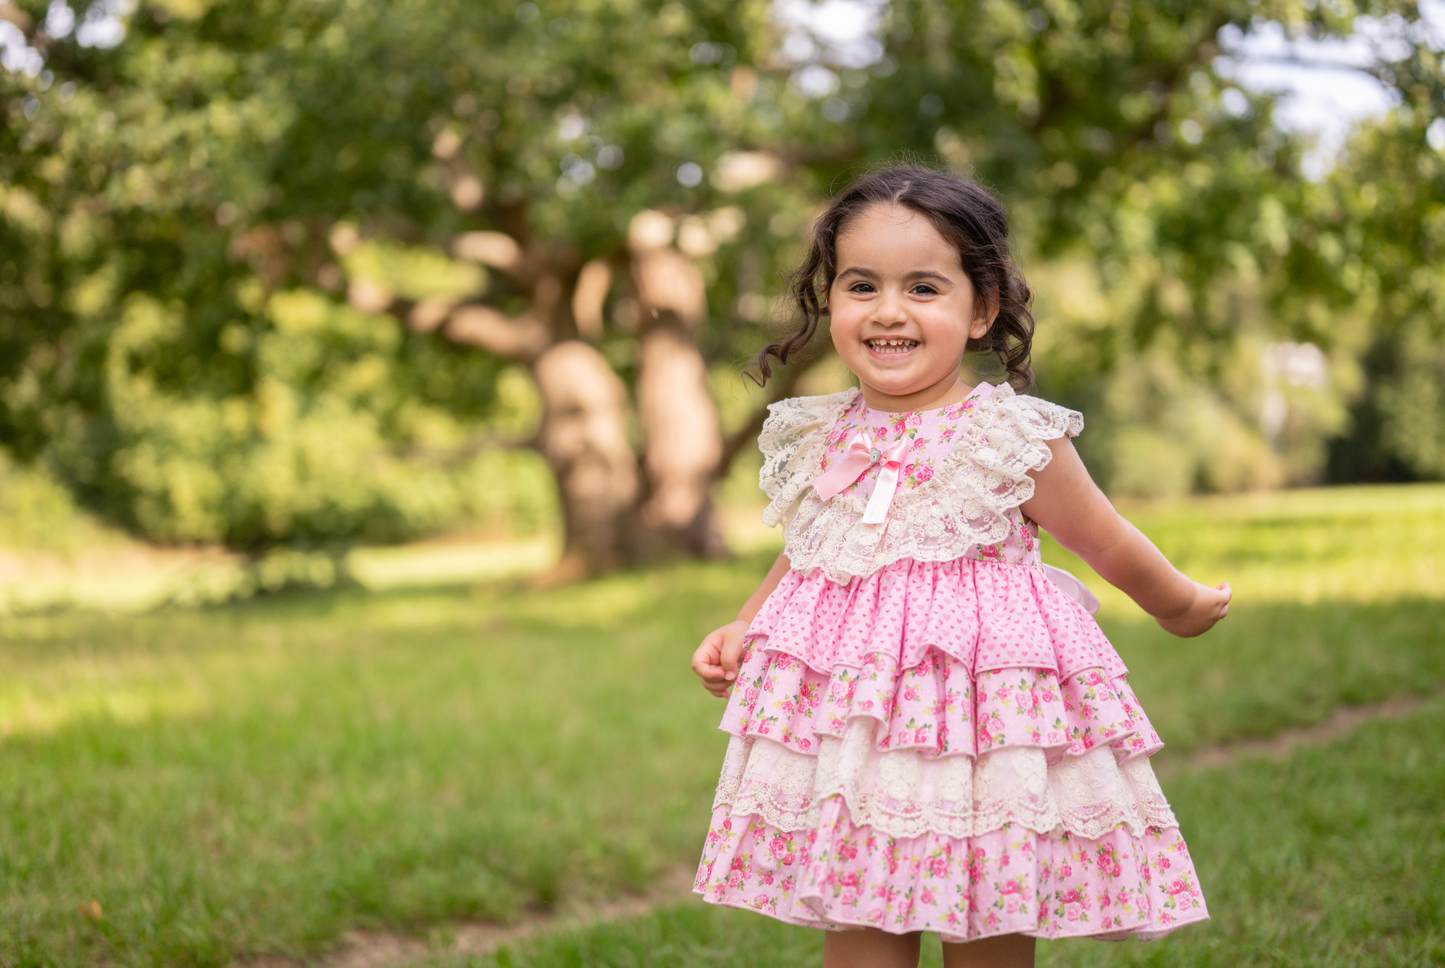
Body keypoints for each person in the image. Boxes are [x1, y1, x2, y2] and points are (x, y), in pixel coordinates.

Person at [689, 166, 1230, 968]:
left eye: (923, 288)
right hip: (860, 722)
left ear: (980, 310)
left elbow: (1105, 539)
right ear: (828, 300)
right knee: (861, 906)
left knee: (984, 918)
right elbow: (811, 548)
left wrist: (1177, 602)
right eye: (860, 285)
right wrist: (748, 622)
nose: (888, 311)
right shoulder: (824, 434)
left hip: (981, 725)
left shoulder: (1007, 439)